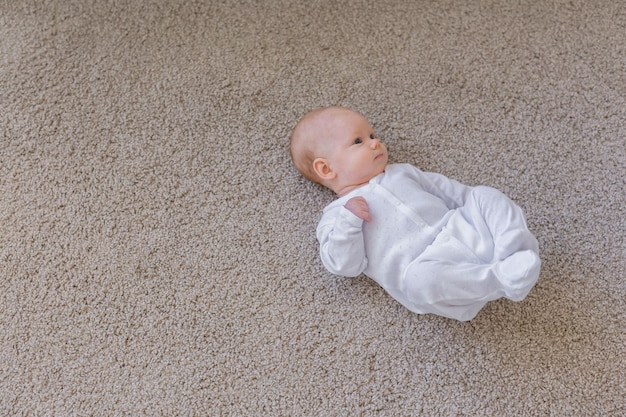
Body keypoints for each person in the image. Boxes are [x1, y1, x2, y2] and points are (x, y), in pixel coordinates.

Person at [290, 106, 541, 321]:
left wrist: (477, 209)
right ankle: (500, 278)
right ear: (326, 168)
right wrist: (349, 221)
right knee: (419, 281)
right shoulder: (335, 217)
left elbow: (455, 193)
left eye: (372, 135)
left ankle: (514, 251)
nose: (375, 142)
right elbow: (345, 266)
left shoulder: (402, 172)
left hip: (462, 228)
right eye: (358, 141)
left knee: (484, 194)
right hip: (431, 267)